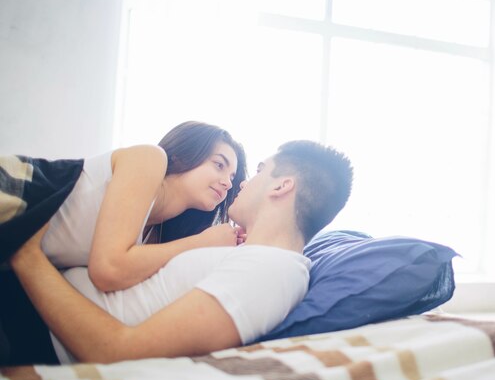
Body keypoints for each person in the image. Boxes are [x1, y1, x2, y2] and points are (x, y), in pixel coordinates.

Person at [5, 140, 354, 365]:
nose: (240, 182)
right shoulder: (250, 256)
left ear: (282, 185)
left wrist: (26, 257)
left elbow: (118, 351)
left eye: (260, 170)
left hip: (27, 320)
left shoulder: (273, 271)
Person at [0, 121, 247, 292]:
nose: (227, 182)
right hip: (13, 195)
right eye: (219, 165)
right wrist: (201, 242)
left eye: (232, 177)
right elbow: (108, 269)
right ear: (182, 156)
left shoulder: (154, 238)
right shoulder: (149, 159)